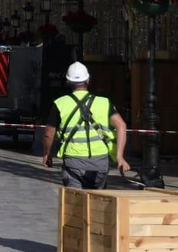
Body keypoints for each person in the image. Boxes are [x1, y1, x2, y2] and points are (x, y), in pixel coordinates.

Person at [43, 62, 131, 190]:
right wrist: (119, 156)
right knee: (97, 203)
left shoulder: (60, 104)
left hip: (74, 163)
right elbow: (121, 125)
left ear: (68, 82)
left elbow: (48, 134)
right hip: (100, 164)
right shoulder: (104, 103)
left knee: (75, 203)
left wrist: (47, 154)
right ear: (88, 80)